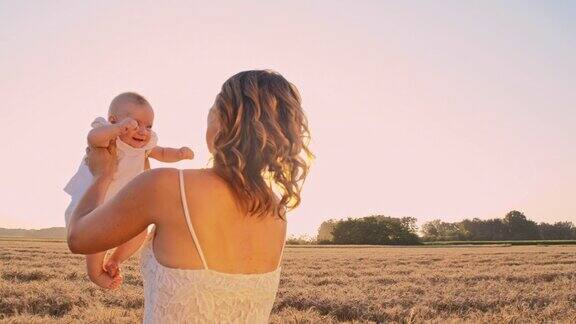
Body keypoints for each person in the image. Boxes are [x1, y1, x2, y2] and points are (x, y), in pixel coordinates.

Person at [68, 70, 313, 323]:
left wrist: (102, 175)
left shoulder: (167, 186)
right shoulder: (277, 211)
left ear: (223, 118)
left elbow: (78, 239)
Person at [64, 92, 194, 289]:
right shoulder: (109, 138)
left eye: (148, 126)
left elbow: (163, 153)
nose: (142, 131)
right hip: (95, 202)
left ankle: (116, 260)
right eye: (135, 123)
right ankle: (95, 271)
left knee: (141, 231)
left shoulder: (145, 146)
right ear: (114, 121)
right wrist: (116, 130)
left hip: (123, 202)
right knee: (97, 238)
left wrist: (179, 154)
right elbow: (93, 138)